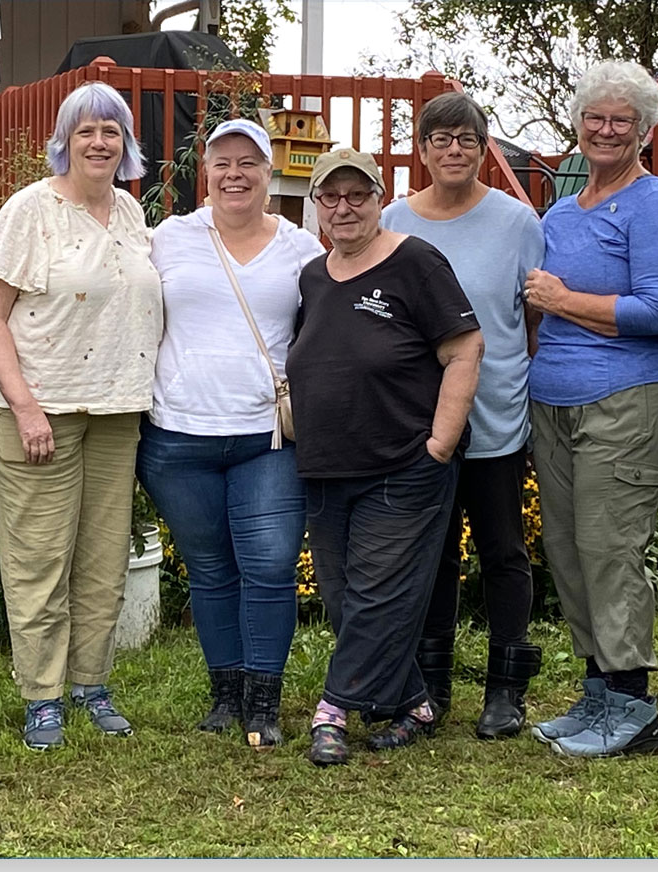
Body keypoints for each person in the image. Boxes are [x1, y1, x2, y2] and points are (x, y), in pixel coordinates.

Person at [0, 80, 161, 751]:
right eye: (86, 130)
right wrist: (24, 404)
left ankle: (91, 682)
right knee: (39, 559)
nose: (99, 142)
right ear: (64, 141)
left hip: (116, 408)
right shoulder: (31, 211)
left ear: (125, 144)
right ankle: (43, 696)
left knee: (103, 558)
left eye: (111, 131)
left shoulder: (132, 216)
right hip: (40, 410)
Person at [294, 147, 483, 766]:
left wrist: (440, 443)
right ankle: (415, 703)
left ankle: (333, 709)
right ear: (317, 205)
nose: (344, 208)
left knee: (378, 594)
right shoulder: (315, 275)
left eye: (358, 195)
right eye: (331, 197)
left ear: (381, 198)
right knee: (348, 596)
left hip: (403, 464)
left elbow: (464, 348)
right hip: (327, 468)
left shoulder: (415, 262)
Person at [521, 60, 658, 760]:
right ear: (578, 123)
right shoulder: (561, 209)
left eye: (623, 120)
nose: (607, 129)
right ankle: (597, 696)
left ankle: (635, 708)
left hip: (626, 399)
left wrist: (562, 302)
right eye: (596, 117)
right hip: (552, 400)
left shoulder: (654, 204)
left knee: (609, 551)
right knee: (567, 553)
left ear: (644, 130)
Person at [145, 118, 322, 750]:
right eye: (222, 162)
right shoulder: (168, 239)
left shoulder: (301, 249)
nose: (235, 174)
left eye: (249, 162)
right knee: (211, 567)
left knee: (270, 567)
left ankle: (263, 701)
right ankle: (225, 694)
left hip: (266, 437)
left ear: (269, 174)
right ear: (205, 175)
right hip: (178, 436)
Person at [388, 90, 550, 741]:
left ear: (483, 149)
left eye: (465, 139)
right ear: (422, 149)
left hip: (497, 418)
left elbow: (529, 319)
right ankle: (429, 687)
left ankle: (505, 690)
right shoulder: (395, 219)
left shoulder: (516, 222)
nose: (453, 149)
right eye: (439, 138)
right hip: (419, 425)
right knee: (430, 556)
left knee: (502, 551)